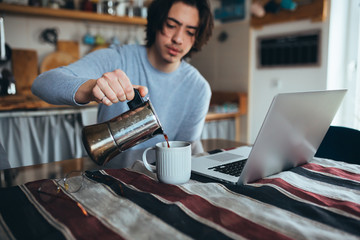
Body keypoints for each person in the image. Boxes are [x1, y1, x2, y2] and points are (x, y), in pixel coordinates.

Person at [32, 0, 214, 164]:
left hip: (161, 185)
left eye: (190, 32)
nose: (178, 39)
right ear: (157, 22)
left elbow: (184, 153)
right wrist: (91, 88)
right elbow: (42, 83)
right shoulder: (118, 58)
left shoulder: (199, 89)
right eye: (171, 25)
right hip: (109, 181)